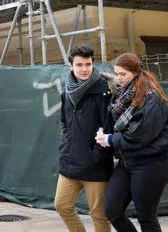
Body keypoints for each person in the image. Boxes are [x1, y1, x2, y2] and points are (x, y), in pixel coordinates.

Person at [95, 53, 168, 232]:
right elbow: (119, 125)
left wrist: (109, 139)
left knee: (146, 217)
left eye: (123, 74)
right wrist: (105, 134)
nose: (118, 78)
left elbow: (137, 137)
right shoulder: (124, 95)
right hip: (126, 162)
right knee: (112, 210)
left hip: (151, 164)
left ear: (135, 73)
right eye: (117, 74)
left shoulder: (152, 98)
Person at [56, 45, 114, 232]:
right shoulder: (67, 91)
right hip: (69, 162)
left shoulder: (103, 91)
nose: (84, 69)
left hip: (95, 166)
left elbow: (108, 128)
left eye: (88, 64)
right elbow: (64, 122)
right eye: (79, 64)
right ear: (71, 66)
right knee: (62, 206)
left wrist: (95, 157)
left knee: (99, 216)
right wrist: (65, 146)